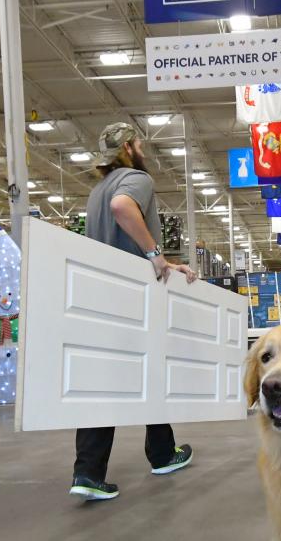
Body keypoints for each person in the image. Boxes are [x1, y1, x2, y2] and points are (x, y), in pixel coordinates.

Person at [69, 122, 198, 501]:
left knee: (106, 380)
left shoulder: (96, 191)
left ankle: (88, 471)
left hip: (103, 294)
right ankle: (160, 454)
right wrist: (157, 256)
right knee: (152, 367)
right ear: (128, 146)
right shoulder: (134, 178)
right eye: (138, 142)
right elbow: (122, 208)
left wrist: (163, 261)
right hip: (132, 297)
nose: (142, 147)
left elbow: (116, 233)